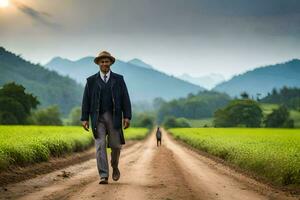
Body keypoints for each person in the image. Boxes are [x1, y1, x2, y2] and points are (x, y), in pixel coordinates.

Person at [80, 51, 132, 184]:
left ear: (111, 63)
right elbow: (86, 100)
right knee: (100, 145)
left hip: (114, 118)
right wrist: (84, 118)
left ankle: (114, 166)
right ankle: (103, 175)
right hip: (97, 119)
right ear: (98, 63)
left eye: (107, 61)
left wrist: (127, 116)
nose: (104, 64)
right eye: (102, 61)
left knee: (116, 146)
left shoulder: (119, 80)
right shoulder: (91, 81)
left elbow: (125, 98)